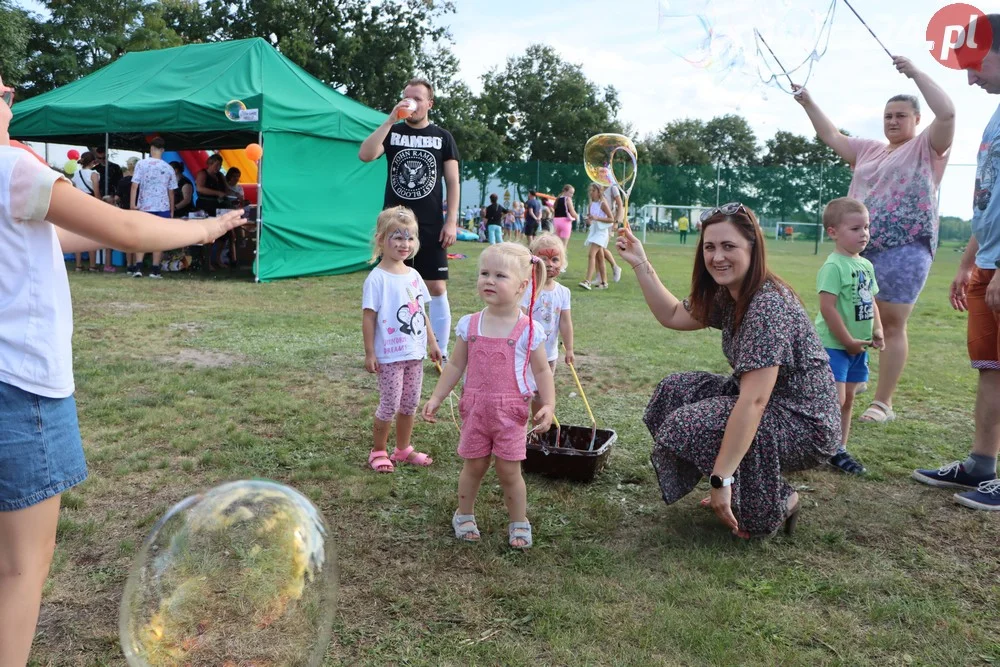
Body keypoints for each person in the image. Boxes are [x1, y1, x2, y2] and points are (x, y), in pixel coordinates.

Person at [0, 71, 247, 666]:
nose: (10, 100)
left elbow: (47, 239)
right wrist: (209, 226)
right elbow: (132, 231)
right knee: (20, 568)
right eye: (4, 91)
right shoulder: (13, 167)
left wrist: (99, 223)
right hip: (21, 386)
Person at [615, 202, 840, 537]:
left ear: (753, 248)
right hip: (772, 409)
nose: (717, 257)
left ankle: (778, 498)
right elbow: (674, 314)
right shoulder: (731, 294)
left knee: (689, 424)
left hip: (804, 424)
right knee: (674, 391)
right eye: (710, 247)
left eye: (728, 246)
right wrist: (641, 263)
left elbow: (754, 402)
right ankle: (750, 484)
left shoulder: (768, 306)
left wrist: (720, 479)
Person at [793, 55, 955, 424]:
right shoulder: (869, 149)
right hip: (859, 250)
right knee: (856, 315)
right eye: (888, 116)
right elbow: (831, 136)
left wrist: (915, 72)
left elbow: (946, 115)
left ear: (916, 120)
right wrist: (808, 101)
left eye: (901, 115)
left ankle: (884, 403)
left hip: (906, 247)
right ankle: (857, 375)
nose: (893, 121)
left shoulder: (927, 146)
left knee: (892, 322)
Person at [912, 16, 1000, 510]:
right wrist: (972, 258)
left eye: (976, 64)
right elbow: (991, 199)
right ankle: (981, 466)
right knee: (992, 368)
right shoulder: (996, 116)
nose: (969, 78)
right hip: (988, 258)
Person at [423, 243, 554, 549]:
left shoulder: (529, 329)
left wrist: (548, 404)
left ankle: (519, 521)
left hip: (511, 413)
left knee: (510, 471)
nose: (489, 280)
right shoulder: (470, 324)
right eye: (484, 273)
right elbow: (455, 364)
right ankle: (464, 514)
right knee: (475, 466)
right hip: (476, 410)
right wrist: (437, 397)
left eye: (499, 275)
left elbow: (543, 371)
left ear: (523, 285)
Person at [359, 77, 460, 361]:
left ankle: (439, 349)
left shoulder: (443, 137)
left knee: (436, 286)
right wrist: (390, 120)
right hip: (394, 225)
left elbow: (452, 182)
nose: (411, 103)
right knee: (392, 285)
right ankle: (391, 347)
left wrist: (451, 221)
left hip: (429, 224)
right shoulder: (393, 132)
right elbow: (365, 154)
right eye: (406, 97)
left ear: (430, 103)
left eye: (417, 98)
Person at [362, 206, 442, 473]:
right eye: (397, 237)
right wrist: (370, 353)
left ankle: (403, 449)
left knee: (409, 404)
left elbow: (421, 313)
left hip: (414, 354)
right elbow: (369, 318)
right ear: (381, 239)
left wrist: (432, 343)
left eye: (409, 237)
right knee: (389, 405)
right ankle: (379, 451)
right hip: (390, 356)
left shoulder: (415, 276)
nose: (404, 244)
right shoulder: (376, 279)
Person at [815, 198, 885, 476]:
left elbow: (872, 302)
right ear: (833, 232)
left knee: (850, 399)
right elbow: (827, 308)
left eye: (866, 227)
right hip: (835, 345)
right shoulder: (834, 266)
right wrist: (846, 341)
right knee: (836, 399)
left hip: (859, 347)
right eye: (856, 228)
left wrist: (877, 330)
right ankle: (824, 446)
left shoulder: (866, 265)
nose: (864, 233)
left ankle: (839, 448)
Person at [523, 234, 573, 421]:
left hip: (549, 355)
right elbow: (518, 318)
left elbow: (565, 322)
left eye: (555, 259)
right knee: (522, 390)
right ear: (533, 260)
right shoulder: (527, 288)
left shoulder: (563, 292)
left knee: (542, 393)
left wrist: (569, 349)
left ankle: (537, 428)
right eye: (544, 259)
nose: (550, 264)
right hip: (525, 353)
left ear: (563, 262)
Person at [130, 137, 177, 279]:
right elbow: (171, 191)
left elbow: (134, 185)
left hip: (144, 205)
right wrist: (172, 210)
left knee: (142, 236)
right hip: (163, 206)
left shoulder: (141, 164)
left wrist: (133, 204)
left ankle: (138, 267)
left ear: (151, 149)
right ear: (163, 150)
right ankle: (155, 269)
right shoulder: (168, 168)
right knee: (159, 238)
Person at [579, 183, 616, 290]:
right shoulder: (591, 204)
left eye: (593, 191)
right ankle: (604, 283)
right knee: (600, 258)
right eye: (590, 191)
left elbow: (611, 219)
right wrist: (589, 220)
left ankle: (588, 281)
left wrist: (596, 218)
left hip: (601, 232)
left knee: (591, 254)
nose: (591, 193)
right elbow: (592, 220)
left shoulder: (602, 203)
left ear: (599, 192)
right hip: (594, 231)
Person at [70, 151, 101, 272]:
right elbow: (96, 191)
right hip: (90, 203)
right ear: (93, 162)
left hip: (77, 203)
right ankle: (92, 265)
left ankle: (78, 265)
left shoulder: (76, 173)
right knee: (91, 235)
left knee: (77, 234)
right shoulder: (94, 174)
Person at [552, 184, 578, 248]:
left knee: (557, 244)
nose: (572, 195)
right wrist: (576, 217)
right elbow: (572, 212)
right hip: (565, 222)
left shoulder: (557, 199)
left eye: (572, 193)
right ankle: (562, 257)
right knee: (563, 245)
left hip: (556, 221)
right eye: (570, 193)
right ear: (565, 191)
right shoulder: (567, 199)